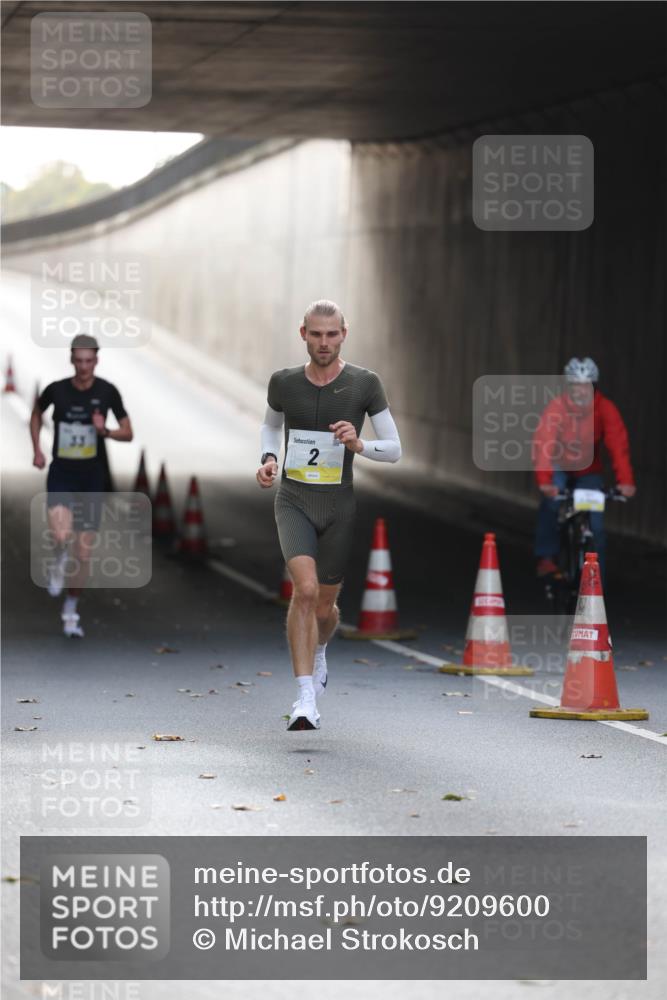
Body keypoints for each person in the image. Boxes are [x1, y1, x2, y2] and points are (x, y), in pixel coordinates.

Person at [256, 300, 402, 731]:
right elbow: (270, 425)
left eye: (332, 334)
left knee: (325, 607)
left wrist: (360, 445)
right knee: (303, 591)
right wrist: (267, 458)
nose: (324, 342)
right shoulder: (283, 382)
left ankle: (320, 652)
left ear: (344, 334)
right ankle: (305, 699)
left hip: (339, 505)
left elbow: (394, 450)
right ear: (303, 333)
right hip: (294, 500)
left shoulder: (364, 384)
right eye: (316, 334)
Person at [30, 334, 133, 637]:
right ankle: (59, 558)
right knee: (62, 534)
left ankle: (71, 609)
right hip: (62, 471)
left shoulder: (107, 391)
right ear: (72, 359)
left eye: (89, 361)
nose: (84, 366)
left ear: (96, 361)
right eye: (79, 361)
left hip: (91, 477)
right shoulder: (57, 390)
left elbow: (128, 432)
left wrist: (107, 432)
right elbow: (36, 414)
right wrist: (36, 448)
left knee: (84, 554)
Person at [532, 357, 635, 581]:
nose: (581, 391)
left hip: (588, 471)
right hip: (559, 466)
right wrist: (545, 481)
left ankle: (595, 583)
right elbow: (544, 443)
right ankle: (547, 557)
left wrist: (625, 481)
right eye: (575, 386)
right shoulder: (556, 408)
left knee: (595, 526)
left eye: (586, 385)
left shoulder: (605, 408)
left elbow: (618, 444)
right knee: (551, 503)